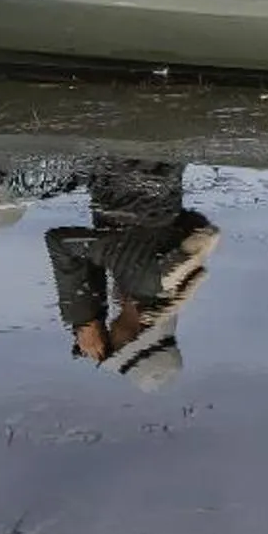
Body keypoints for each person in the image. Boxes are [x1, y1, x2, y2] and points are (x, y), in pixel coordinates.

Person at [41, 158, 222, 391]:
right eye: (114, 347)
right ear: (133, 336)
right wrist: (85, 319)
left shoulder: (165, 283)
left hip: (156, 162)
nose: (108, 338)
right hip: (122, 161)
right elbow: (60, 243)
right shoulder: (144, 281)